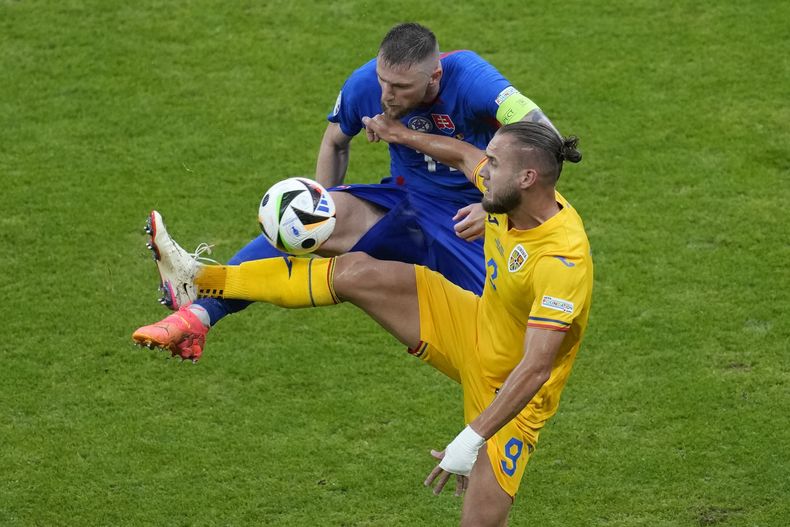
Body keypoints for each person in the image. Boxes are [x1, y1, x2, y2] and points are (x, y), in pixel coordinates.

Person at [134, 122, 592, 526]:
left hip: (510, 391)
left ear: (528, 178)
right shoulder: (511, 196)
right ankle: (200, 281)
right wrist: (399, 134)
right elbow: (462, 155)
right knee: (356, 272)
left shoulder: (561, 261)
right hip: (470, 322)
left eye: (495, 163)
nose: (483, 171)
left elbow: (534, 368)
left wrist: (472, 438)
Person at [140, 22, 560, 361]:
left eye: (400, 88)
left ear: (434, 76)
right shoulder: (367, 85)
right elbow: (334, 141)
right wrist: (320, 204)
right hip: (409, 207)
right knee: (304, 216)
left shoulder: (470, 79)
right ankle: (199, 308)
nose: (386, 95)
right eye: (383, 81)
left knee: (505, 344)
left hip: (475, 223)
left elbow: (546, 137)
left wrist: (491, 208)